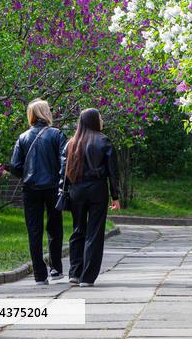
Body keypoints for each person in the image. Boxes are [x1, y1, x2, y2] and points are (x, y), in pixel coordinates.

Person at [60, 108, 121, 287]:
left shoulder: (72, 142)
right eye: (100, 118)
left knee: (78, 229)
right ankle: (87, 277)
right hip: (97, 189)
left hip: (76, 189)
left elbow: (63, 170)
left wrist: (64, 190)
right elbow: (113, 171)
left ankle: (74, 272)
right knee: (94, 232)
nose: (102, 121)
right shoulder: (104, 141)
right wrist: (115, 196)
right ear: (94, 121)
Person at [9, 99, 67, 285]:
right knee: (55, 228)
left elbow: (15, 166)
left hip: (31, 189)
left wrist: (27, 175)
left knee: (34, 231)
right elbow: (64, 162)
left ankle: (39, 275)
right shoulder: (57, 135)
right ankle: (56, 269)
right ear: (46, 113)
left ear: (31, 115)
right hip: (52, 188)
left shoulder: (23, 137)